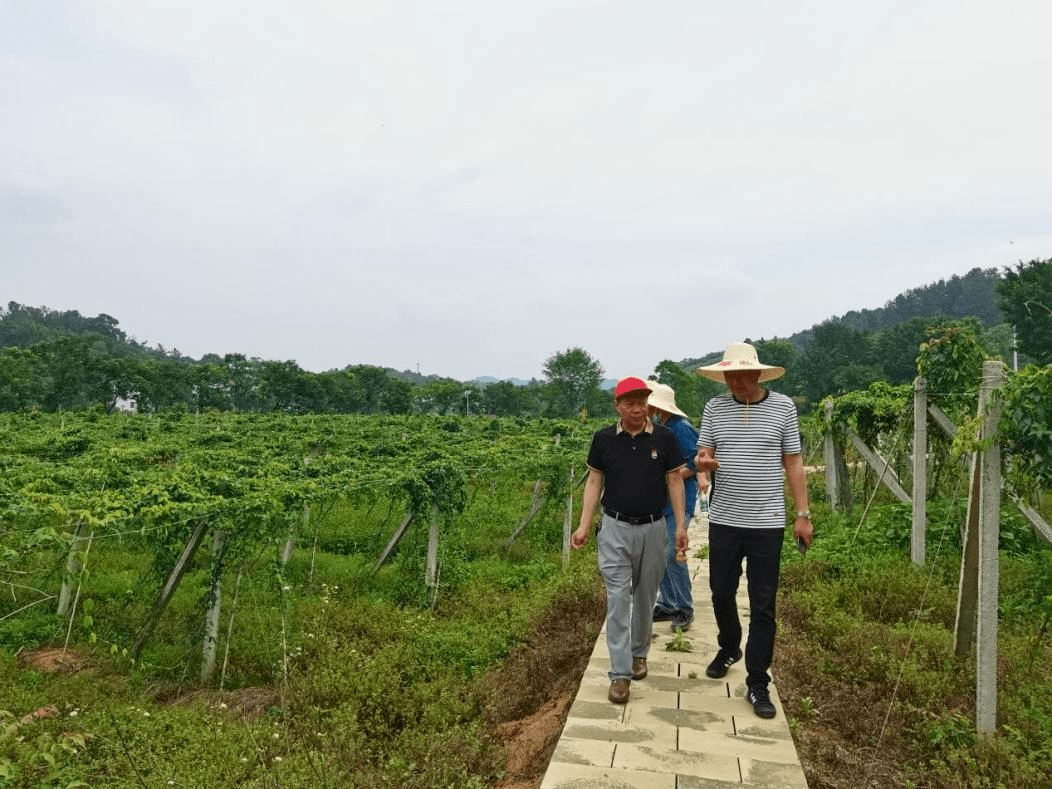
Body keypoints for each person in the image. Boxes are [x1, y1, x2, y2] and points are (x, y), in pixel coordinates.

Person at [693, 342, 813, 719]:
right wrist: (703, 464)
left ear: (758, 374)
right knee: (720, 593)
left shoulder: (783, 409)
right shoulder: (714, 407)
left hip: (767, 524)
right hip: (724, 520)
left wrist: (802, 513)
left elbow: (793, 462)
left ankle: (757, 681)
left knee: (763, 604)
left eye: (743, 375)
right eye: (730, 376)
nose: (736, 383)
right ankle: (729, 646)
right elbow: (702, 456)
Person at [571, 376, 687, 704]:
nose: (637, 409)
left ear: (648, 404)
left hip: (653, 528)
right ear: (617, 406)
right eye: (630, 403)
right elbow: (594, 483)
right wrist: (583, 526)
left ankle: (639, 654)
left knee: (647, 594)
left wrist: (680, 527)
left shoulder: (664, 438)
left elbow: (675, 482)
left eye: (642, 403)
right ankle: (620, 674)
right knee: (619, 598)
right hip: (614, 528)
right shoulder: (604, 439)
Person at [645, 380, 700, 631]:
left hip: (681, 500)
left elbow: (696, 461)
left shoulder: (681, 428)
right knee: (661, 552)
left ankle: (684, 606)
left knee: (672, 552)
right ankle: (667, 603)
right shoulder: (660, 426)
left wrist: (672, 476)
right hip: (663, 501)